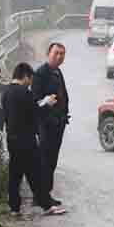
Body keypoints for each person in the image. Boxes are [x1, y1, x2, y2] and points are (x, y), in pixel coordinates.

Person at [2, 63, 67, 216]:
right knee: (36, 173)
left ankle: (14, 208)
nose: (30, 83)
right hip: (27, 140)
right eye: (30, 79)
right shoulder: (24, 92)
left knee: (15, 175)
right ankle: (46, 205)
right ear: (25, 76)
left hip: (12, 139)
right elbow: (35, 112)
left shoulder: (6, 93)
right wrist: (48, 103)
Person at [32, 42, 70, 203]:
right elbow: (34, 100)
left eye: (62, 53)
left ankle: (46, 194)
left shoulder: (57, 72)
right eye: (56, 53)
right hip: (46, 124)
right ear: (48, 54)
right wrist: (45, 102)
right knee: (44, 159)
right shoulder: (41, 73)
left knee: (52, 160)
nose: (59, 56)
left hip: (58, 123)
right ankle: (40, 196)